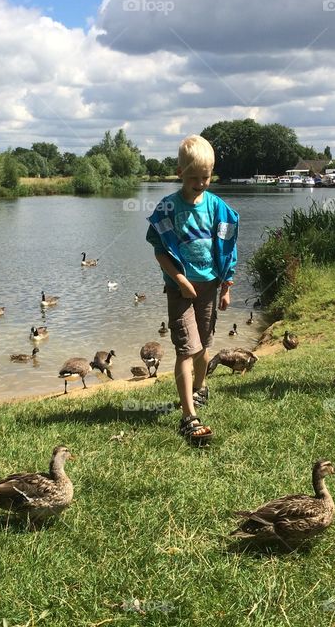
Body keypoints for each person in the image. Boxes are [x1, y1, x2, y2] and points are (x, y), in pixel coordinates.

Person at [146, 135, 238, 444]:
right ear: (180, 172)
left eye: (206, 177)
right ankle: (189, 416)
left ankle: (200, 388)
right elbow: (160, 250)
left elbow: (228, 247)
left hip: (210, 286)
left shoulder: (217, 208)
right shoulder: (168, 207)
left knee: (203, 346)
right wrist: (180, 279)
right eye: (194, 177)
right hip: (179, 289)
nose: (200, 183)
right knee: (186, 348)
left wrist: (226, 286)